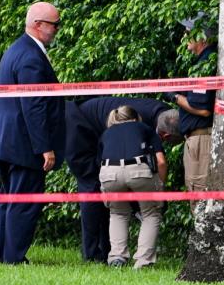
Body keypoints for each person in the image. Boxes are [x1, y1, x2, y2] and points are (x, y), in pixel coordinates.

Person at [0, 2, 66, 264]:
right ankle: (14, 258)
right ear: (38, 24)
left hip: (5, 141)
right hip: (24, 144)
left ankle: (4, 256)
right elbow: (34, 105)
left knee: (9, 200)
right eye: (55, 24)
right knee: (24, 202)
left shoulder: (15, 50)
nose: (57, 30)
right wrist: (45, 146)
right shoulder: (31, 57)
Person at [65, 96, 181, 263]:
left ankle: (113, 254)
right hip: (79, 126)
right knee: (90, 186)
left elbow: (107, 165)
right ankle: (94, 253)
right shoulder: (147, 128)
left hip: (108, 167)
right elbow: (158, 163)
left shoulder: (163, 114)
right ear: (165, 134)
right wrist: (158, 191)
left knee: (117, 211)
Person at [98, 105, 167, 268]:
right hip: (139, 169)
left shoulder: (106, 133)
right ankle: (143, 261)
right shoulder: (145, 128)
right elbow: (161, 161)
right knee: (151, 213)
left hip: (109, 171)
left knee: (117, 213)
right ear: (136, 118)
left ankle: (117, 257)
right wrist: (160, 186)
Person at [163, 11, 218, 205]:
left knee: (200, 192)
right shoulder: (205, 61)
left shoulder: (205, 64)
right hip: (198, 139)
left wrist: (174, 96)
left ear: (201, 36)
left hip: (201, 140)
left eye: (188, 31)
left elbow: (202, 109)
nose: (184, 36)